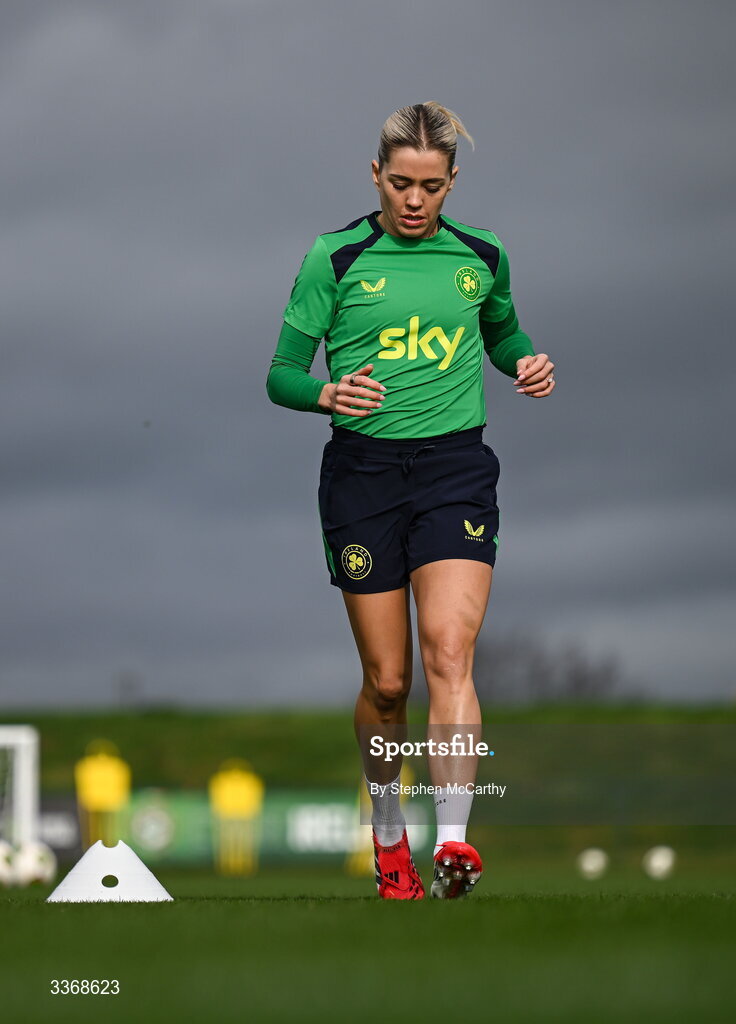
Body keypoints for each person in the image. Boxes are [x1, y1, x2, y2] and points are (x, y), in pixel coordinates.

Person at [266, 102, 555, 899]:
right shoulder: (336, 256)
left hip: (455, 468)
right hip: (362, 475)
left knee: (449, 652)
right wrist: (325, 393)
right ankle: (388, 833)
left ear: (453, 181)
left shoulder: (483, 255)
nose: (416, 201)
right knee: (388, 683)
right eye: (401, 184)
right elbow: (280, 373)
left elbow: (503, 333)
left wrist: (526, 362)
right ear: (376, 176)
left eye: (432, 186)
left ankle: (454, 844)